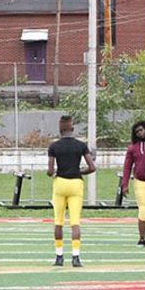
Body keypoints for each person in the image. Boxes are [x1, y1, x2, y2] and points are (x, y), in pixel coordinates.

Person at [47, 114, 97, 267]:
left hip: (60, 183)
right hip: (76, 183)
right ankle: (76, 257)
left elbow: (50, 171)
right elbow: (92, 167)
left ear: (60, 129)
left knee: (58, 222)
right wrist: (79, 171)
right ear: (72, 128)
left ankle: (59, 256)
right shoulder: (81, 145)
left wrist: (55, 173)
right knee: (75, 222)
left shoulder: (54, 146)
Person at [120, 120, 145, 247]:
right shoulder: (133, 148)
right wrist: (125, 184)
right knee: (144, 210)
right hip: (141, 182)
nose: (140, 133)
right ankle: (142, 238)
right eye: (137, 132)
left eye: (141, 130)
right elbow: (127, 167)